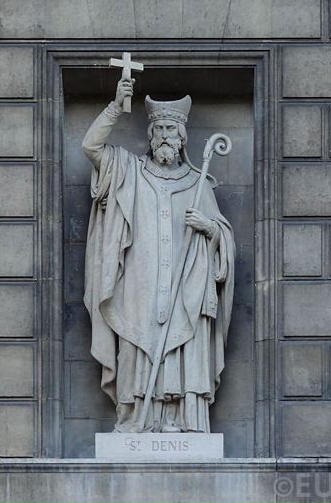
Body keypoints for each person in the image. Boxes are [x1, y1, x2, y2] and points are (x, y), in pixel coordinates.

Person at [82, 76, 235, 433]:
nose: (165, 134)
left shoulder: (198, 185)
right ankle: (139, 416)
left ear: (183, 138)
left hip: (185, 288)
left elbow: (224, 239)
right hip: (138, 286)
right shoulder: (129, 170)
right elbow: (91, 146)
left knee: (184, 344)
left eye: (172, 128)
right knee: (137, 341)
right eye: (160, 128)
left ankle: (181, 417)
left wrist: (209, 229)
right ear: (151, 136)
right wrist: (115, 107)